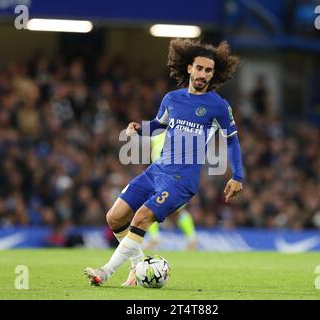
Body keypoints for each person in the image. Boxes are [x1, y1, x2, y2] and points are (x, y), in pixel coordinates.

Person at [84, 38, 244, 286]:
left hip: (182, 180)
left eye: (209, 70)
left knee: (141, 217)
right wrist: (141, 128)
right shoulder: (172, 99)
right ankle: (138, 268)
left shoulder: (219, 106)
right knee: (114, 218)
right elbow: (160, 124)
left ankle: (104, 272)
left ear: (214, 73)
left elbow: (232, 141)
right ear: (189, 68)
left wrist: (238, 176)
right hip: (157, 170)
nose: (203, 74)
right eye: (199, 68)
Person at [145, 131, 198, 251]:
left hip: (166, 178)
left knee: (150, 207)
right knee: (177, 212)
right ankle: (192, 237)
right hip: (177, 178)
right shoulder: (180, 134)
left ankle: (154, 237)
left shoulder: (156, 135)